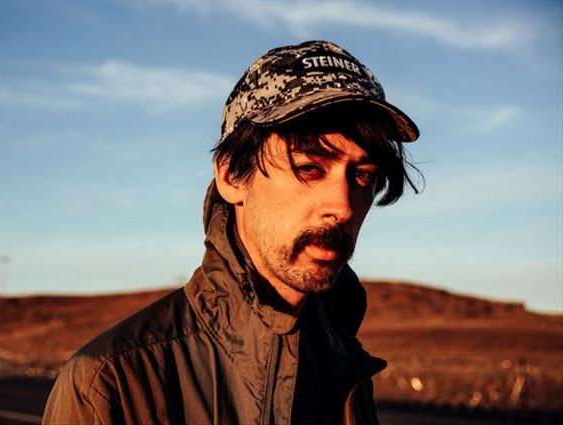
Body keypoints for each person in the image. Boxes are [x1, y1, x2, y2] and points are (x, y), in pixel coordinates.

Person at [42, 40, 420, 425]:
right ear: (232, 176)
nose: (343, 206)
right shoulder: (113, 383)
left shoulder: (345, 370)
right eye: (309, 168)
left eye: (363, 176)